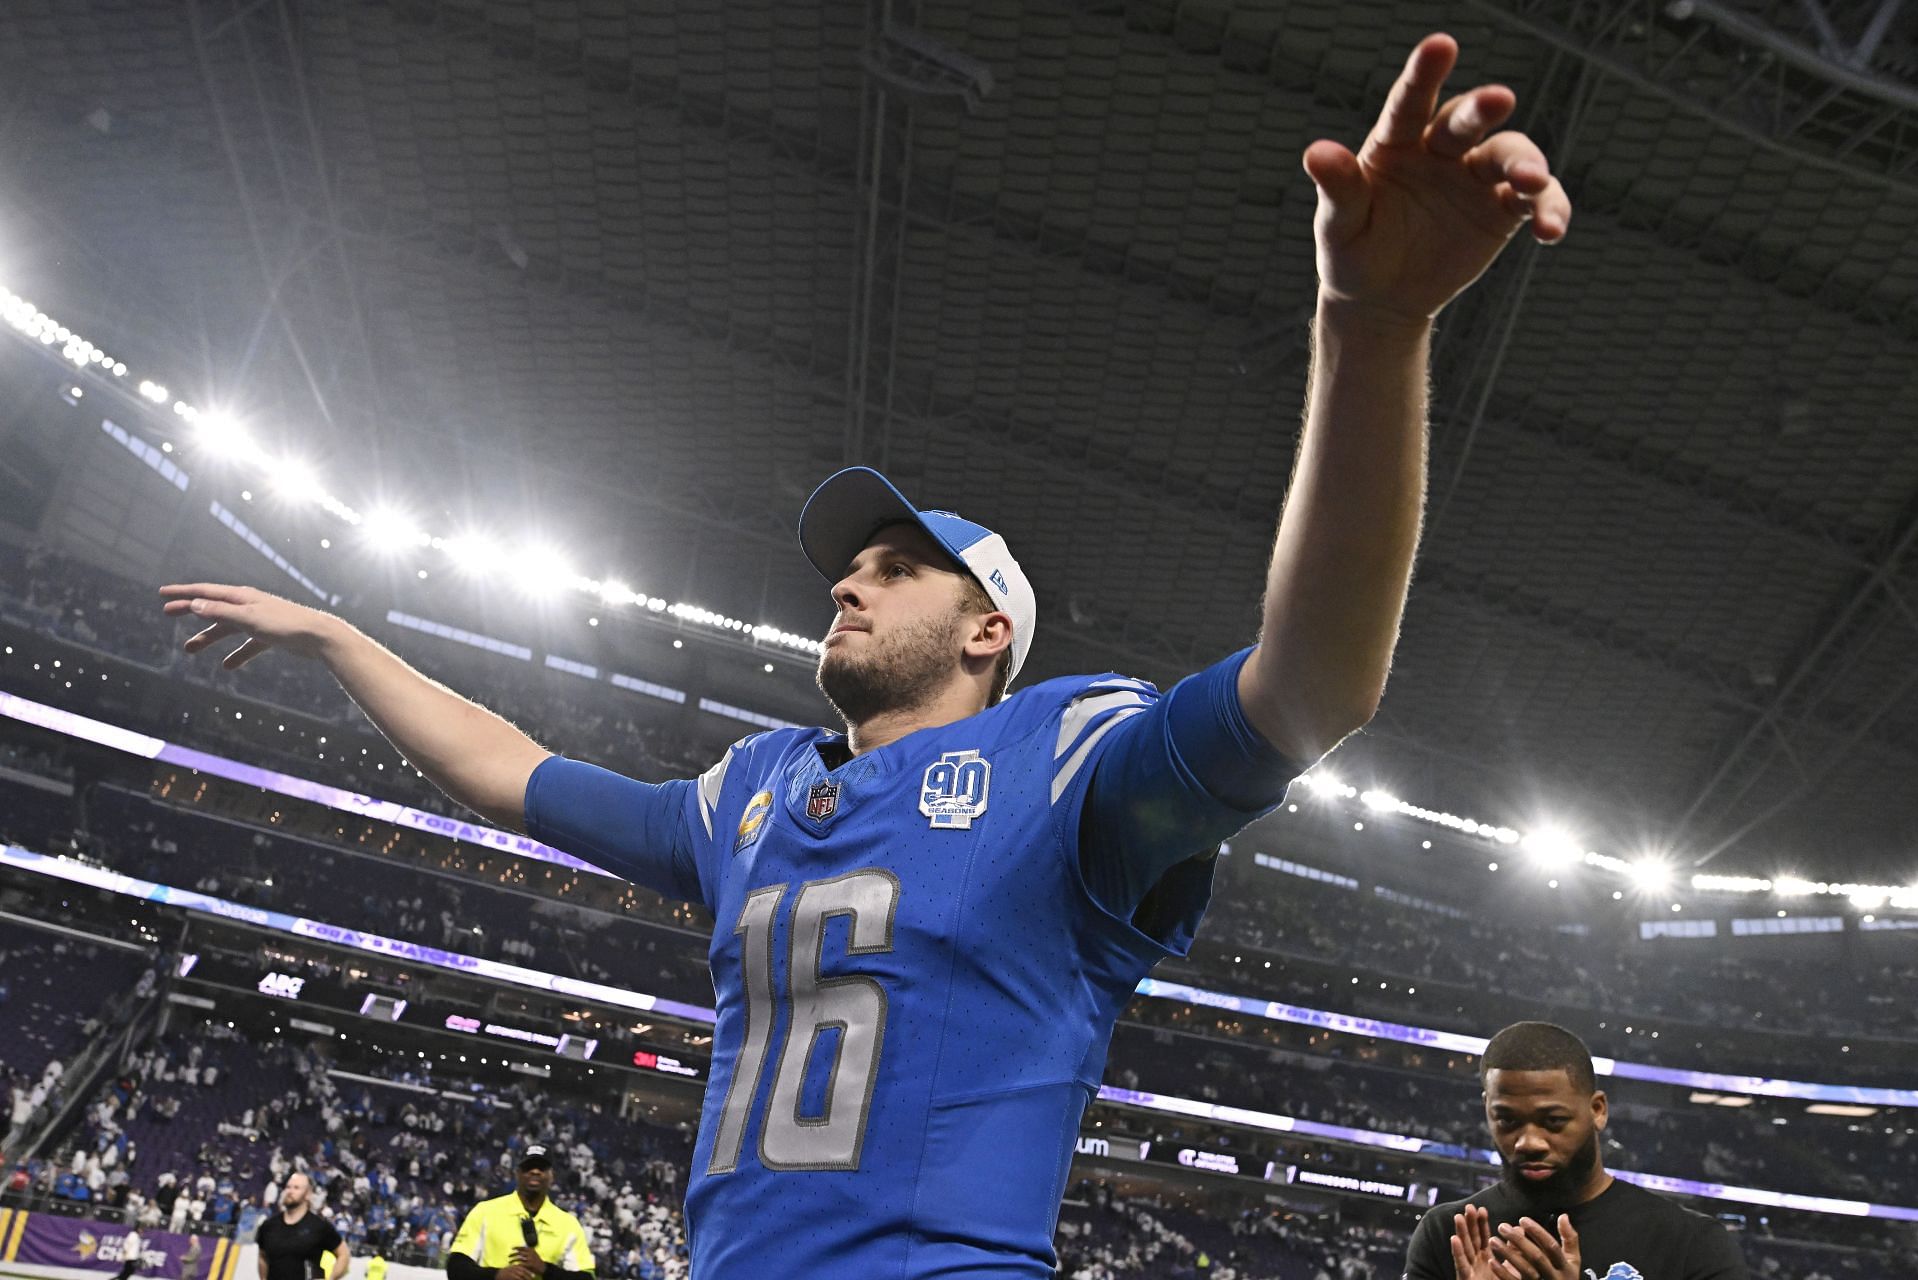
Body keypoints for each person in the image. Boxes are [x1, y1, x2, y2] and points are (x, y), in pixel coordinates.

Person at [160, 31, 1569, 1280]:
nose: (849, 581)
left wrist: (1372, 330)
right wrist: (341, 635)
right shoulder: (752, 797)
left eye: (900, 569)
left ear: (988, 629)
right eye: (851, 565)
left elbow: (1314, 685)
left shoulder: (1064, 763)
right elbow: (513, 770)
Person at [1402, 1022, 1749, 1280]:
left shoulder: (1690, 1242)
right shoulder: (1447, 1234)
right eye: (1506, 1120)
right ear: (1487, 1110)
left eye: (1553, 1121)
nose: (1528, 1142)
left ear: (1597, 1110)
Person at [446, 1144, 594, 1280]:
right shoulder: (485, 1212)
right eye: (528, 1167)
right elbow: (456, 1268)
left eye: (541, 1168)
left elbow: (587, 1277)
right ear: (517, 1173)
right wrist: (496, 1275)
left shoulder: (568, 1225)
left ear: (552, 1176)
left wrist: (546, 1270)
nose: (535, 1171)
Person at [254, 1173, 348, 1280]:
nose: (290, 1191)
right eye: (288, 1187)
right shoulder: (269, 1226)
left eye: (296, 1188)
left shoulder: (319, 1227)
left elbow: (343, 1254)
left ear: (308, 1194)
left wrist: (331, 1278)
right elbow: (262, 1256)